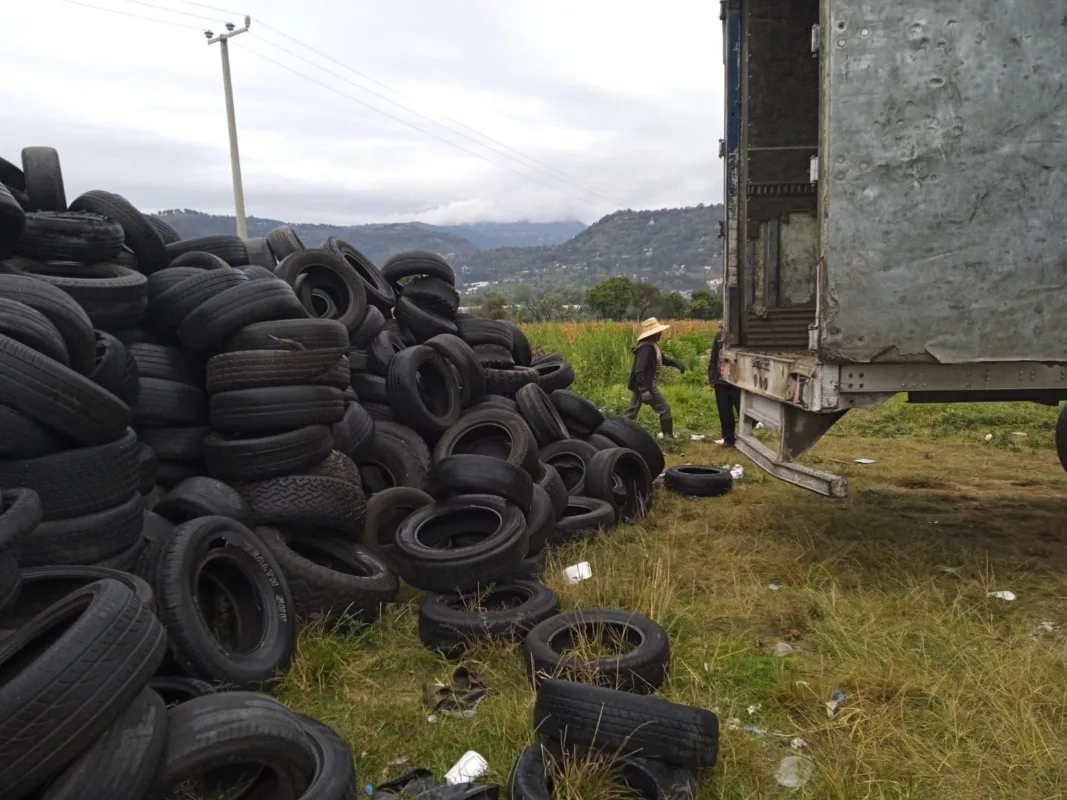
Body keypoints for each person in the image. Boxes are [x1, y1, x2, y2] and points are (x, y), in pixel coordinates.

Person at [626, 317, 686, 437]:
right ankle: (668, 437)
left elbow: (663, 359)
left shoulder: (652, 345)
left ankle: (617, 431)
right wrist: (644, 390)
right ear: (652, 334)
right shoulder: (646, 348)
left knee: (632, 412)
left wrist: (676, 364)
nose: (661, 334)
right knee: (664, 409)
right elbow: (639, 370)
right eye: (658, 332)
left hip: (644, 383)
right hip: (645, 384)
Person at [708, 328, 740, 447]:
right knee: (725, 413)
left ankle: (745, 438)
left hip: (737, 382)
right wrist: (712, 378)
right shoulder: (719, 335)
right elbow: (713, 358)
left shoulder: (740, 334)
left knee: (742, 410)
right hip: (720, 381)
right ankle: (728, 439)